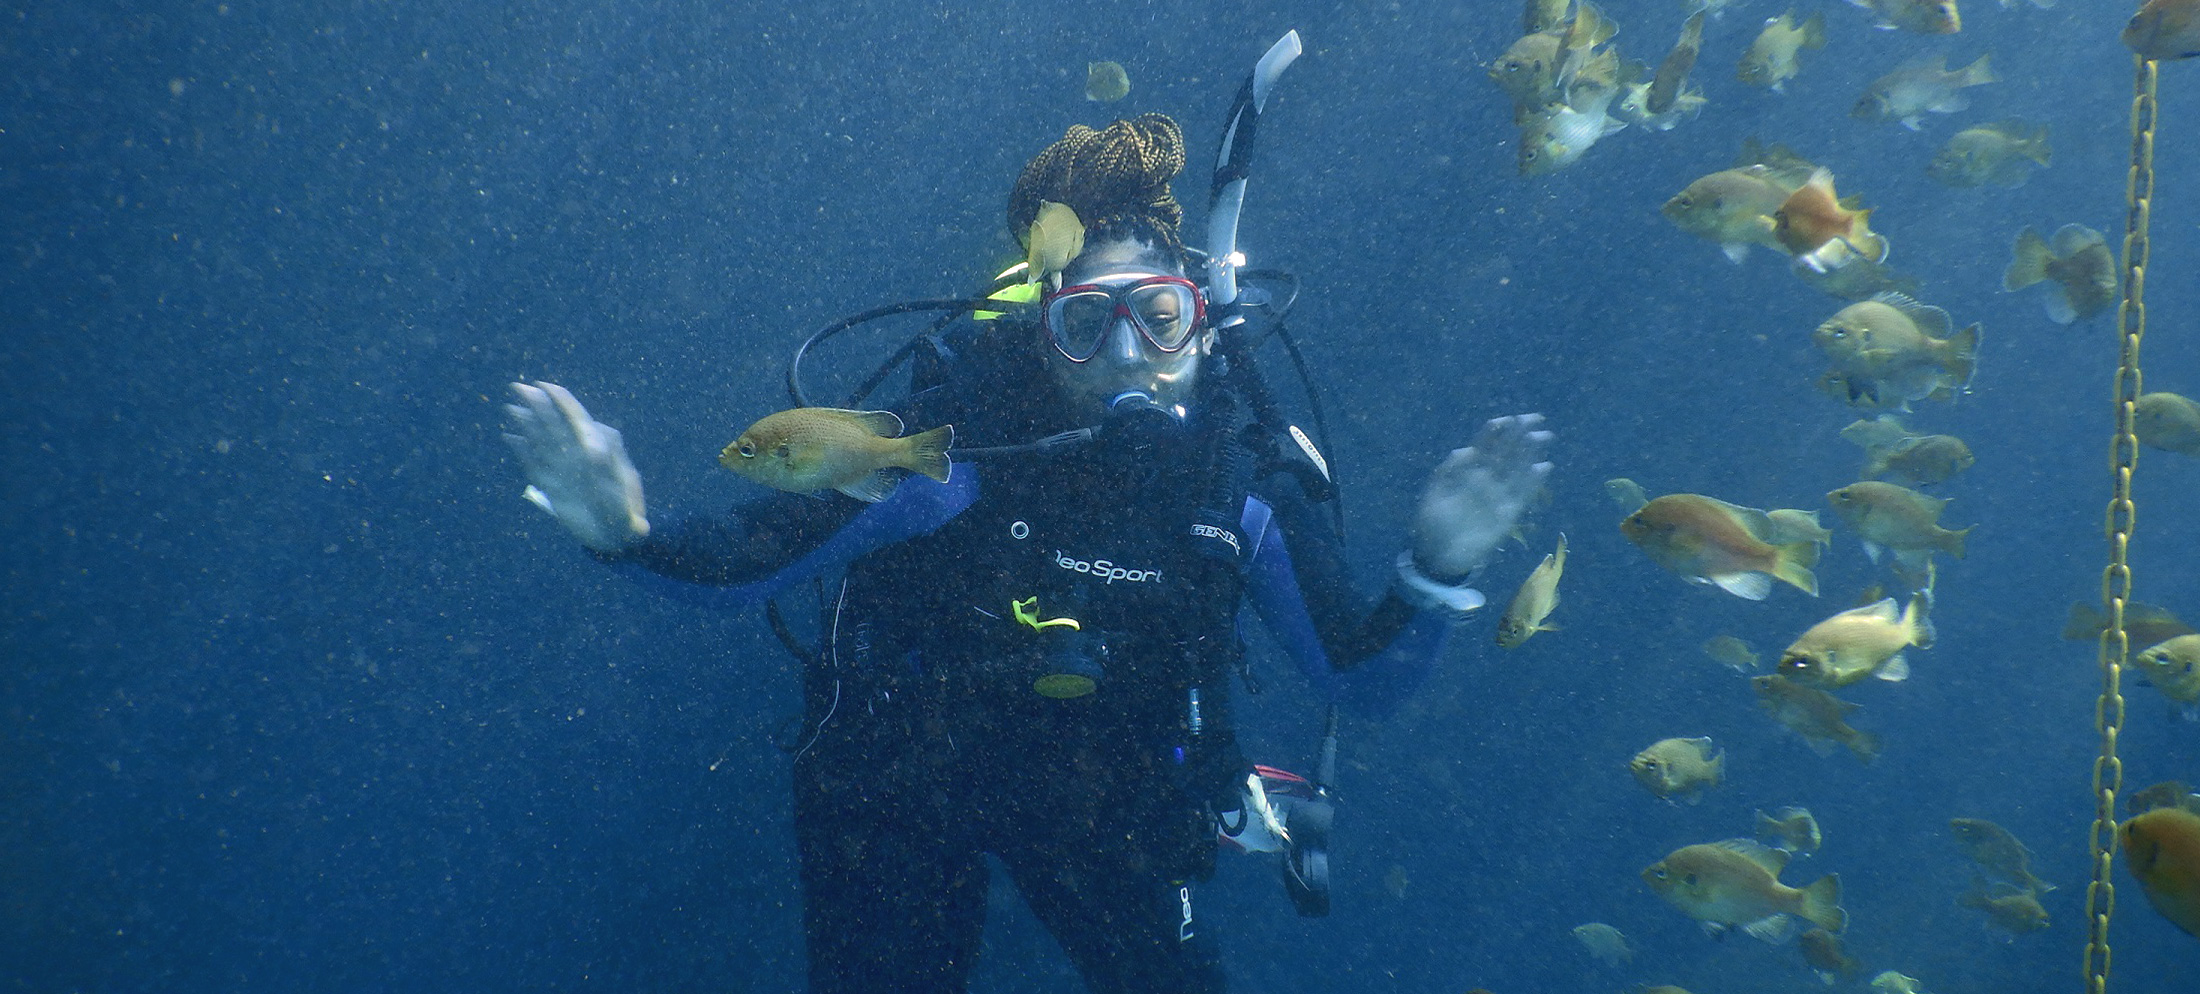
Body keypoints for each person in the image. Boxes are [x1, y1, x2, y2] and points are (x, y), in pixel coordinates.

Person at [501, 115, 1551, 994]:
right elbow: (755, 558)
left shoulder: (1236, 477)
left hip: (1111, 802)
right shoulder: (971, 438)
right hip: (905, 786)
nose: (1128, 351)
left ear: (1200, 322)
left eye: (1159, 315)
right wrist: (624, 532)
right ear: (1042, 327)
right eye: (1087, 323)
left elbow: (1352, 678)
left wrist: (1436, 566)